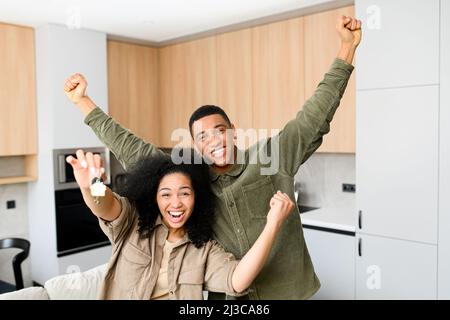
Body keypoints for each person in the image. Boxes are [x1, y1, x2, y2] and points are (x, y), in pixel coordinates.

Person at [64, 15, 362, 299]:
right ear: (195, 145)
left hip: (288, 293)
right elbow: (131, 148)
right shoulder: (191, 180)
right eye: (203, 137)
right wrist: (84, 103)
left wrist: (346, 48)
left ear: (233, 131)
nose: (215, 141)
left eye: (220, 130)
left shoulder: (272, 157)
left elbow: (315, 115)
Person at [66, 150, 294, 299]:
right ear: (154, 197)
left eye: (185, 193)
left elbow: (237, 280)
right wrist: (92, 185)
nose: (175, 204)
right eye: (166, 195)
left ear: (197, 198)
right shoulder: (131, 222)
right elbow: (106, 206)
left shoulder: (203, 249)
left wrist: (272, 224)